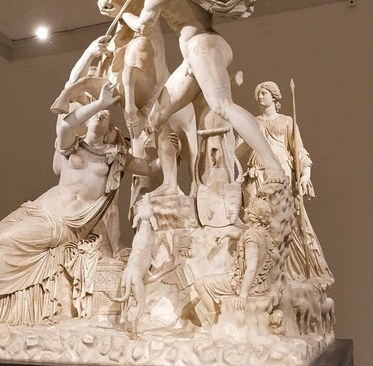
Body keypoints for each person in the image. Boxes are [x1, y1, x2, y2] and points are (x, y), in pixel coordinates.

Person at [0, 83, 159, 327]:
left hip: (66, 222)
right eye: (95, 114)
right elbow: (66, 125)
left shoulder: (116, 157)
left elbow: (150, 168)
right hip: (41, 209)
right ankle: (3, 295)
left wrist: (169, 147)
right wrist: (101, 102)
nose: (100, 116)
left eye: (106, 117)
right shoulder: (72, 145)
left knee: (6, 242)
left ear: (110, 130)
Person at [123, 0, 285, 196]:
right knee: (156, 116)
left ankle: (272, 163)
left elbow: (143, 27)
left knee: (222, 105)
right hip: (193, 56)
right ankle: (170, 183)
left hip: (202, 46)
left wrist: (124, 15)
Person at [242, 81, 334, 286]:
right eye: (258, 94)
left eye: (264, 93)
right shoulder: (252, 122)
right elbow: (237, 149)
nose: (260, 96)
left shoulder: (287, 121)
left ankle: (288, 271)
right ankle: (258, 271)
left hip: (281, 174)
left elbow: (298, 149)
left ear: (274, 96)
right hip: (256, 176)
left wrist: (306, 174)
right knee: (256, 223)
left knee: (282, 221)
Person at [193, 198, 275, 327]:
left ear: (252, 215)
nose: (245, 210)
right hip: (260, 285)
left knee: (199, 284)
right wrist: (227, 235)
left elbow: (251, 268)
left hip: (246, 285)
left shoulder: (251, 237)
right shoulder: (263, 233)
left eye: (248, 209)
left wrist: (243, 295)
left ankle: (215, 324)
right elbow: (243, 235)